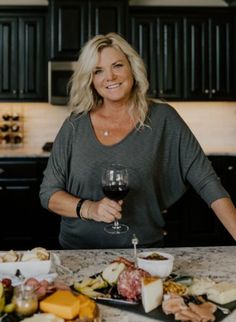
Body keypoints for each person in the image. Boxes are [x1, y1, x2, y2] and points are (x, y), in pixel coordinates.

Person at [40, 32, 236, 249]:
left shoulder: (163, 118)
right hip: (78, 254)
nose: (110, 77)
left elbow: (207, 182)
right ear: (91, 79)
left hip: (142, 254)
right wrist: (90, 209)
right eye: (98, 71)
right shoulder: (74, 125)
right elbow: (48, 193)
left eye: (117, 66)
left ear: (132, 67)